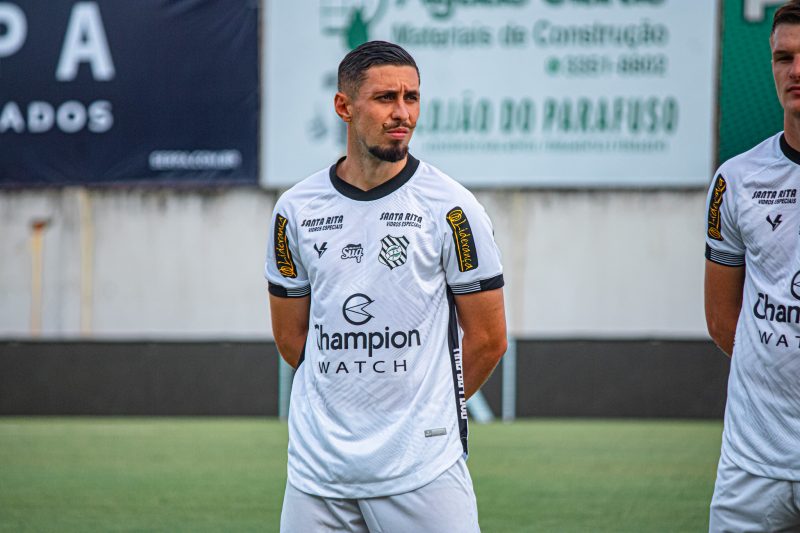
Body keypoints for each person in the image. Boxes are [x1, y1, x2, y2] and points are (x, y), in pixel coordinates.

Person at [265, 41, 507, 532]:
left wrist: (428, 412)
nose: (402, 114)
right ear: (343, 107)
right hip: (318, 475)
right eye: (385, 99)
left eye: (412, 98)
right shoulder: (295, 210)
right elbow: (293, 340)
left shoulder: (453, 209)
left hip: (423, 468)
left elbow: (487, 338)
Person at [705, 2, 800, 530]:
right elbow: (723, 321)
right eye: (783, 57)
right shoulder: (736, 181)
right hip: (754, 463)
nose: (796, 71)